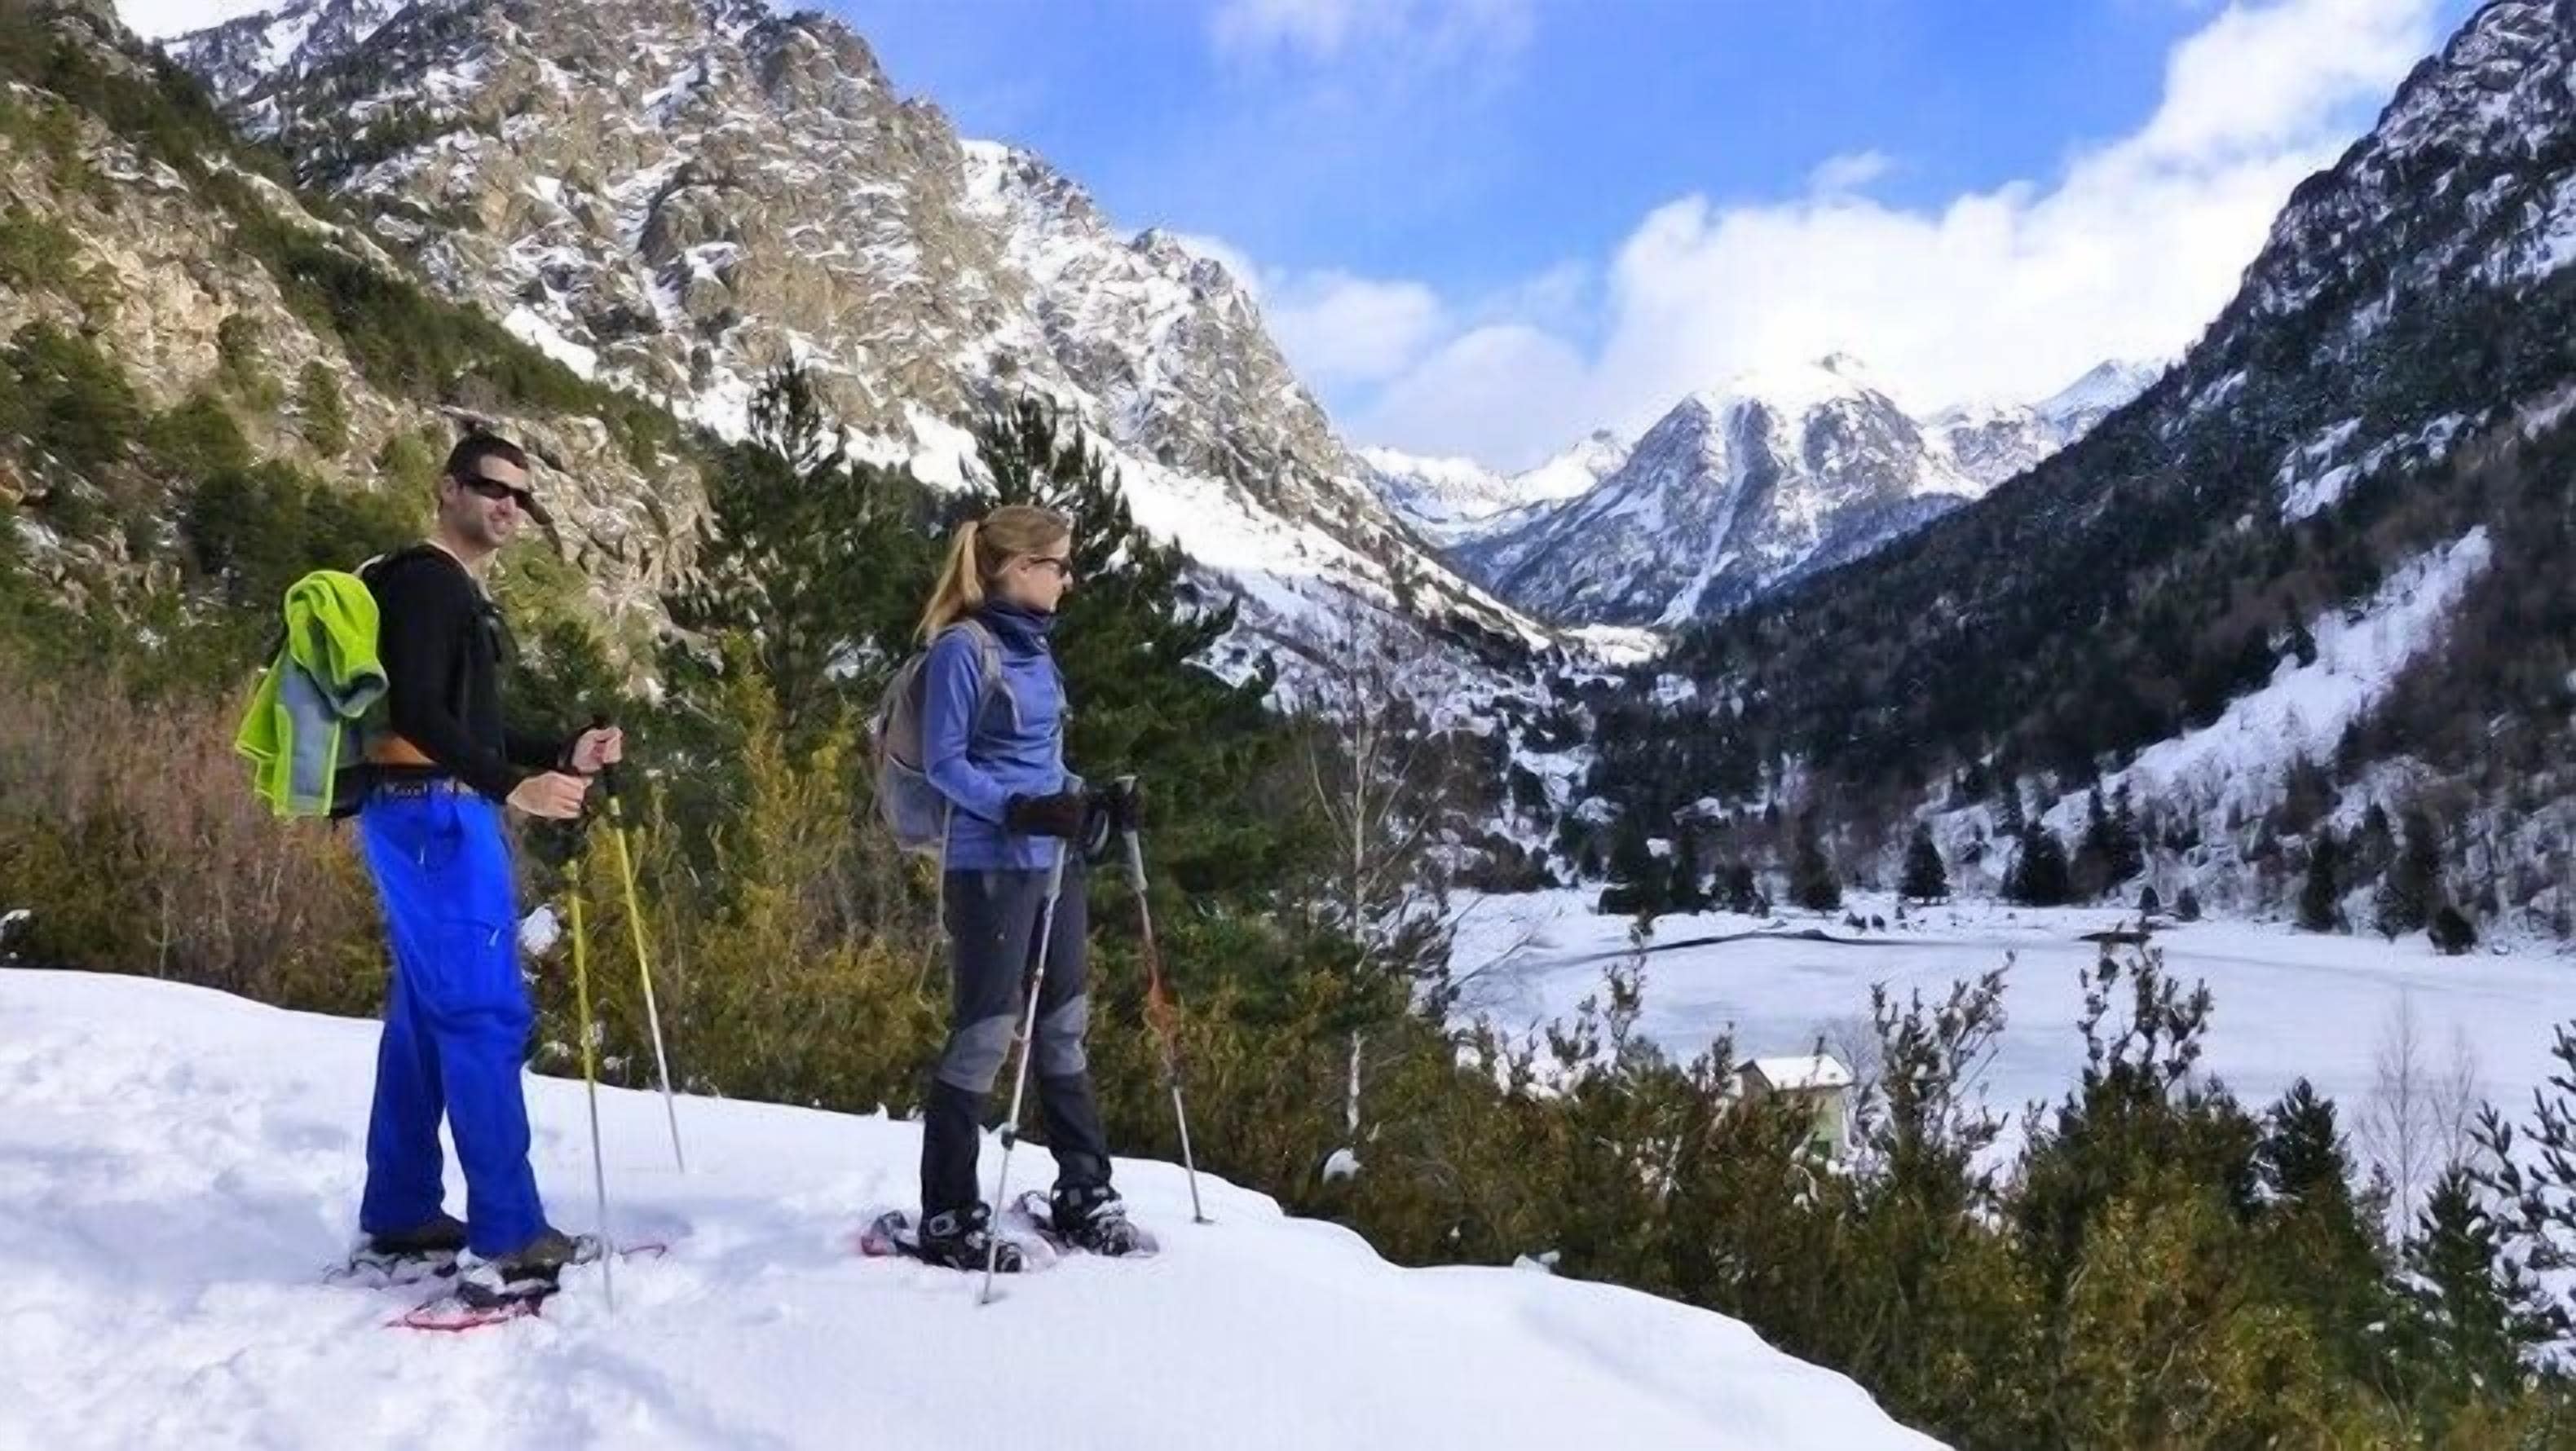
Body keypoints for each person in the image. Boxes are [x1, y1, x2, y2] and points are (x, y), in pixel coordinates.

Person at [351, 432, 620, 1299]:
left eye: (521, 496)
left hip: (413, 812)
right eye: (490, 487)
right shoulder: (431, 584)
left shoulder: (430, 585)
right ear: (447, 489)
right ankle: (510, 1233)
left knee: (426, 1018)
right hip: (439, 816)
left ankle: (401, 1209)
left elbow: (460, 719)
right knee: (482, 1013)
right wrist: (514, 787)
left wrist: (561, 750)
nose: (508, 505)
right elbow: (426, 712)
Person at [912, 502, 1143, 1269]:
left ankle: (1084, 1189)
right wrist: (1020, 808)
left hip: (1051, 862)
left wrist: (1088, 799)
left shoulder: (1038, 653)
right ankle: (949, 1214)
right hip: (988, 867)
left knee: (1064, 1026)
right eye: (1057, 566)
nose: (1068, 580)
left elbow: (1042, 763)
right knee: (983, 1037)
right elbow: (947, 765)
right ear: (1016, 569)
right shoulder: (961, 650)